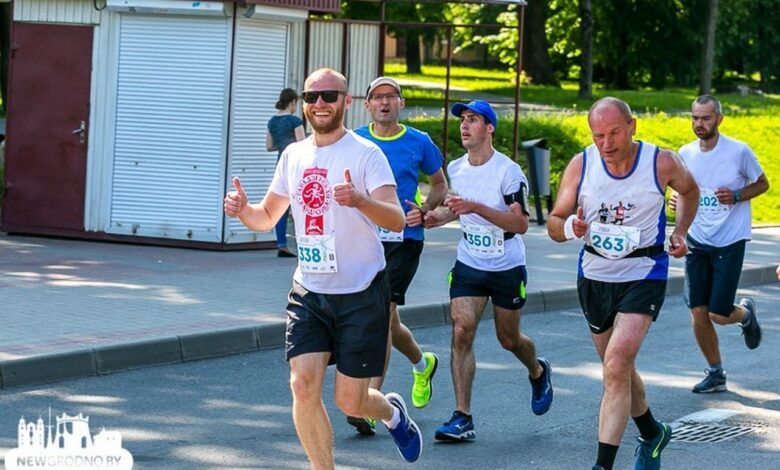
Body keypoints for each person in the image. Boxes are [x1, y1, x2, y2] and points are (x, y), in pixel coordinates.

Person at [224, 68, 423, 468]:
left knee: (351, 401)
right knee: (302, 386)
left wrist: (360, 200)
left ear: (345, 102)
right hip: (310, 291)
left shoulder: (366, 154)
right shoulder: (294, 155)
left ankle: (393, 414)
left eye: (328, 96)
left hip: (361, 292)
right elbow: (268, 216)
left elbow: (397, 220)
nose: (319, 104)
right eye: (311, 97)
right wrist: (244, 211)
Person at [547, 97, 699, 470]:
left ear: (632, 126)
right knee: (619, 369)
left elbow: (691, 191)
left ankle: (602, 465)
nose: (607, 143)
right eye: (598, 135)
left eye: (614, 132)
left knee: (615, 366)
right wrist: (571, 228)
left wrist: (680, 232)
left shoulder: (660, 162)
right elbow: (554, 222)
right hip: (596, 275)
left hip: (644, 271)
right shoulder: (581, 165)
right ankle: (652, 431)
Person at [423, 100, 553, 442]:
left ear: (490, 128)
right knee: (461, 331)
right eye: (463, 120)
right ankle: (462, 417)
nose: (465, 126)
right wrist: (433, 218)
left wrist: (475, 207)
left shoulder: (508, 172)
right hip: (469, 263)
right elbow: (457, 211)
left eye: (474, 120)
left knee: (508, 338)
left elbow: (521, 223)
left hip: (506, 265)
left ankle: (538, 371)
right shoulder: (457, 167)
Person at [344, 76, 449, 435]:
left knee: (381, 313)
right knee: (386, 320)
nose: (385, 103)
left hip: (405, 238)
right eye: (378, 97)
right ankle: (423, 363)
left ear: (401, 103)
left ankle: (370, 400)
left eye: (391, 97)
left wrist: (425, 208)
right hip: (363, 237)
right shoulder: (354, 140)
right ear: (367, 105)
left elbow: (439, 184)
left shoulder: (419, 142)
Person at [670, 94, 769, 394]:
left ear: (719, 119)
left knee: (718, 312)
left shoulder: (738, 152)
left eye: (706, 118)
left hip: (730, 239)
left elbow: (763, 183)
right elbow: (683, 192)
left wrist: (738, 195)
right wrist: (676, 201)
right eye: (695, 118)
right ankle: (716, 373)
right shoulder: (685, 153)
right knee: (698, 310)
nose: (699, 124)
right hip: (698, 240)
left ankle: (746, 315)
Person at [267, 88, 306, 257]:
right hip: (296, 165)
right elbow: (303, 144)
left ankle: (281, 243)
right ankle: (305, 242)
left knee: (281, 205)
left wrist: (283, 144)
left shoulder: (272, 121)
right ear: (293, 102)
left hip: (280, 163)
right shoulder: (294, 121)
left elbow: (269, 146)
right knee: (301, 204)